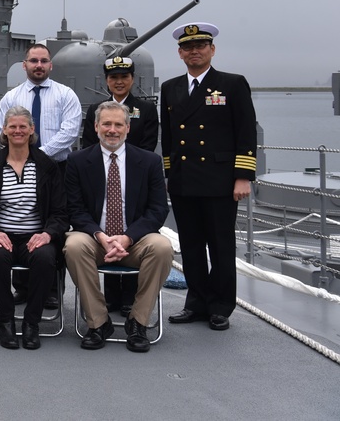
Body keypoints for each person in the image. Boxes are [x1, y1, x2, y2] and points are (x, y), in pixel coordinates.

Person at [161, 23, 256, 332]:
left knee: (220, 246)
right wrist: (168, 175)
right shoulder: (171, 88)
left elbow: (245, 132)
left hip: (220, 180)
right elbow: (170, 137)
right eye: (188, 47)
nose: (195, 51)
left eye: (201, 45)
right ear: (180, 53)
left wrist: (243, 176)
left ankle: (220, 306)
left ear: (212, 50)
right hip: (184, 180)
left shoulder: (231, 84)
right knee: (190, 246)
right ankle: (196, 303)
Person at [64, 101, 173, 352]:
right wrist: (101, 236)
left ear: (127, 128)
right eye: (106, 124)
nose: (112, 130)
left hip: (134, 242)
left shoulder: (149, 162)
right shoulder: (78, 161)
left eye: (118, 124)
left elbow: (158, 210)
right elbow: (74, 209)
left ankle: (138, 321)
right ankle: (98, 322)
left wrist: (127, 238)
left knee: (162, 247)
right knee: (73, 245)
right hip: (95, 240)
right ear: (95, 126)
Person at [0, 106, 67, 350]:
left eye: (23, 126)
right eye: (12, 126)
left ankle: (31, 323)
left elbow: (59, 212)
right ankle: (5, 321)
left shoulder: (47, 167)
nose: (17, 131)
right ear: (4, 130)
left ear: (32, 130)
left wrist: (47, 234)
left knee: (46, 259)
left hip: (35, 236)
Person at [0, 43, 81, 307]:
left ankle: (52, 289)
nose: (39, 65)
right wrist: (27, 158)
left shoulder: (66, 95)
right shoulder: (11, 98)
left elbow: (70, 131)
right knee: (22, 221)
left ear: (50, 65)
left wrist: (38, 156)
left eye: (44, 61)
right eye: (33, 61)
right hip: (17, 166)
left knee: (51, 228)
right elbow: (3, 128)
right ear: (25, 65)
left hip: (57, 168)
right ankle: (22, 287)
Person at [80, 56, 159, 313]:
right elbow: (89, 145)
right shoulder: (96, 109)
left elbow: (147, 146)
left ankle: (130, 300)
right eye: (114, 77)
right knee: (109, 223)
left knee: (131, 227)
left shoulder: (145, 109)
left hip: (135, 179)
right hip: (103, 175)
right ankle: (112, 299)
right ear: (107, 80)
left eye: (124, 76)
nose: (119, 81)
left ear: (132, 79)